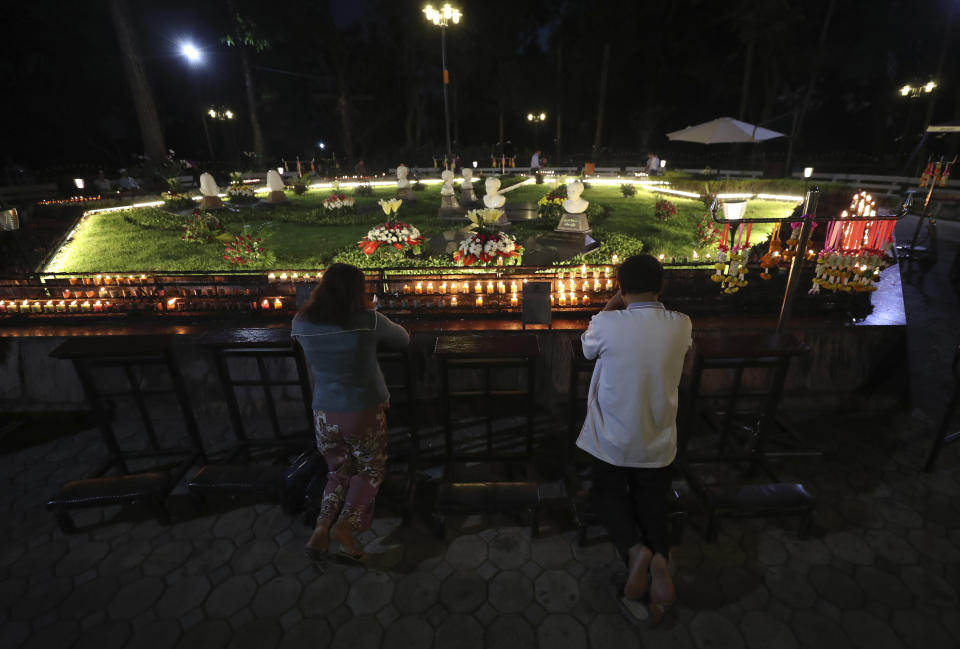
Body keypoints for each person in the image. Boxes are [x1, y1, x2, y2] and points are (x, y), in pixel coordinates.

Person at [576, 254, 692, 623]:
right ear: (663, 287)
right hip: (658, 439)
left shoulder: (606, 324)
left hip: (611, 439)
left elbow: (587, 347)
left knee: (606, 493)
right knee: (651, 499)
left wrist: (614, 301)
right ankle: (659, 554)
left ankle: (633, 550)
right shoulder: (681, 324)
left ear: (621, 287)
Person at [293, 264, 410, 561]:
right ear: (358, 291)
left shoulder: (302, 321)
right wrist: (376, 312)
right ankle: (346, 525)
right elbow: (403, 339)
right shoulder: (369, 321)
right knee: (370, 470)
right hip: (362, 411)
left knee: (338, 470)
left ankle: (321, 528)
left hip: (324, 413)